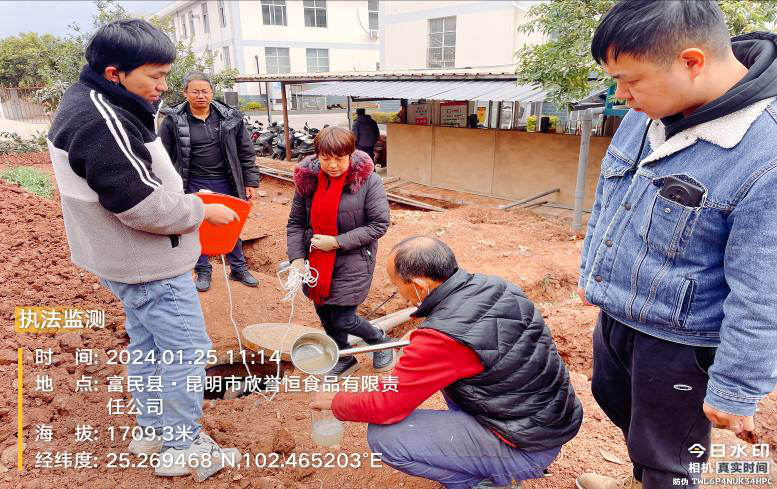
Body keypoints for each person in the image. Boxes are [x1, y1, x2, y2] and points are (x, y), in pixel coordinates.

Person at [577, 2, 777, 488]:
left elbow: (764, 290)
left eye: (629, 81)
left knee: (671, 456)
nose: (621, 96)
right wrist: (592, 272)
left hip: (681, 343)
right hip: (621, 316)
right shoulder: (648, 110)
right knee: (622, 407)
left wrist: (735, 386)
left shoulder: (764, 152)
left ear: (691, 62)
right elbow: (610, 196)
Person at [47, 19, 239, 478]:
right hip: (149, 264)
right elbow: (140, 205)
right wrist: (199, 209)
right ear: (114, 73)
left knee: (150, 347)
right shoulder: (100, 119)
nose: (162, 86)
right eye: (155, 76)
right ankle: (182, 446)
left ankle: (153, 430)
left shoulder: (97, 100)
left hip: (125, 259)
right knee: (185, 351)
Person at [311, 236, 584, 489]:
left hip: (525, 446)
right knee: (455, 380)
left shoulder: (442, 338)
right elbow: (481, 336)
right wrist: (424, 336)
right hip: (549, 422)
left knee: (385, 438)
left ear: (419, 286)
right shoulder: (496, 287)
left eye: (397, 286)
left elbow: (386, 405)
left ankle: (482, 482)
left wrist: (336, 401)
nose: (399, 294)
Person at [286, 126, 391, 378]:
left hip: (353, 259)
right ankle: (343, 356)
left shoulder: (368, 181)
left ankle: (380, 340)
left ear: (350, 154)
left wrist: (336, 242)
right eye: (326, 158)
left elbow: (379, 224)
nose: (333, 165)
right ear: (317, 155)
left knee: (343, 319)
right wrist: (297, 259)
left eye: (339, 158)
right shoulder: (308, 181)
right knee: (325, 314)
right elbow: (296, 223)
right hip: (316, 262)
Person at [159, 71, 261, 292]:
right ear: (185, 93)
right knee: (197, 225)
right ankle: (203, 270)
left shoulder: (230, 118)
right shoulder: (173, 120)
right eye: (195, 91)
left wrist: (250, 181)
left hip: (227, 181)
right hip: (191, 181)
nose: (201, 96)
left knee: (232, 223)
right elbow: (163, 155)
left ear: (212, 92)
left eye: (205, 91)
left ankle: (238, 268)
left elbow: (246, 151)